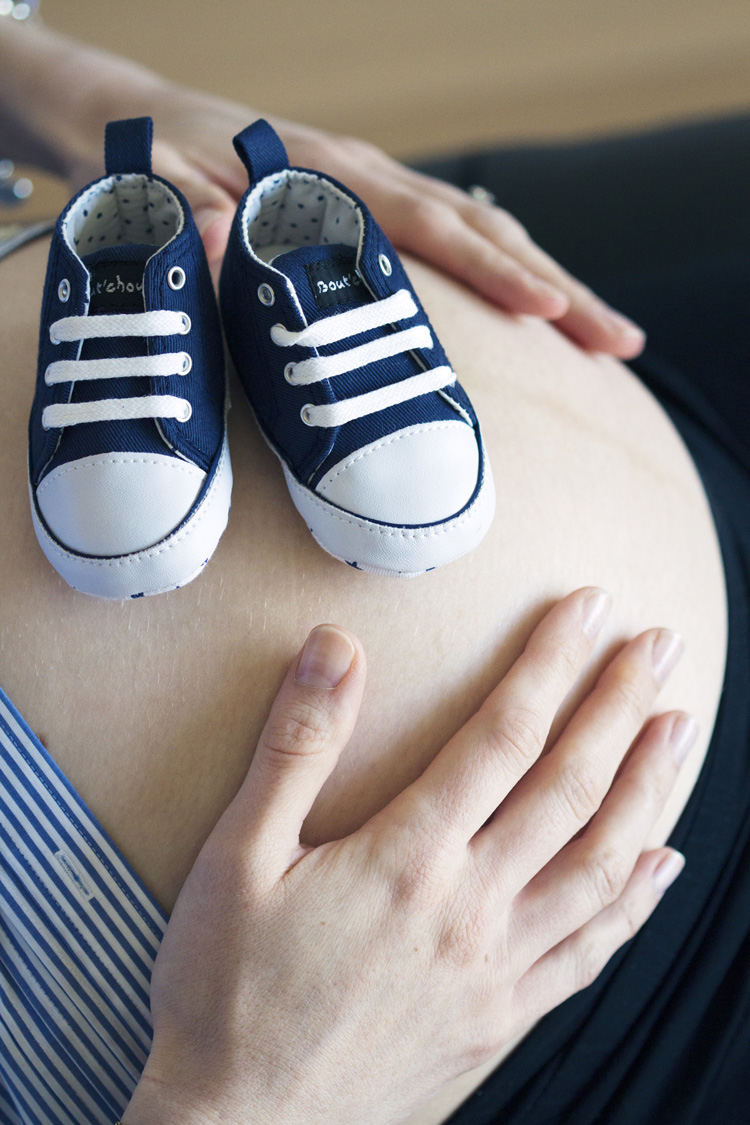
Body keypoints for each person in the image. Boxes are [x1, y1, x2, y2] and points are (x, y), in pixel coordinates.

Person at [1, 16, 747, 1125]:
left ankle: (231, 240)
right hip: (626, 1021)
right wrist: (251, 1098)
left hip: (678, 430)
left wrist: (67, 86)